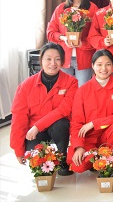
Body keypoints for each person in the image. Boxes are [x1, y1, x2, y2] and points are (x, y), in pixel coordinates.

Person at [10, 43, 77, 176]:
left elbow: (63, 110)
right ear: (41, 61)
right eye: (48, 59)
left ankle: (62, 160)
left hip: (56, 127)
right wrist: (18, 149)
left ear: (62, 61)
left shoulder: (71, 82)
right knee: (40, 165)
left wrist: (37, 126)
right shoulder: (26, 86)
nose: (53, 63)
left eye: (57, 59)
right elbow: (19, 118)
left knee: (61, 124)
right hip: (34, 131)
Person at [67, 50, 113, 174]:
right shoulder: (82, 90)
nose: (104, 68)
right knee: (77, 166)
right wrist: (79, 147)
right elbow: (76, 122)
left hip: (109, 136)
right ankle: (95, 161)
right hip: (88, 139)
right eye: (99, 64)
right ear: (93, 66)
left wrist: (94, 123)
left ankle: (109, 162)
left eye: (108, 64)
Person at [46, 0, 98, 87]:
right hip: (64, 57)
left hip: (84, 57)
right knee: (65, 89)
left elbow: (96, 35)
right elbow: (50, 32)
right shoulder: (61, 8)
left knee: (82, 90)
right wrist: (63, 38)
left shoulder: (92, 9)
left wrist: (82, 44)